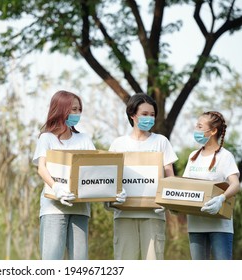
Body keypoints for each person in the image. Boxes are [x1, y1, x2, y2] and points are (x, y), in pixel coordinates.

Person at [107, 93, 178, 260]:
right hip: (124, 215)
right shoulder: (119, 144)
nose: (149, 118)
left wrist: (166, 200)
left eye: (152, 115)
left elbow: (170, 174)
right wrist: (113, 197)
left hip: (153, 214)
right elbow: (109, 177)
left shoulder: (161, 142)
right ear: (133, 115)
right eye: (144, 114)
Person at [32, 90, 96, 260]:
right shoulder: (47, 138)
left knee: (79, 260)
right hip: (53, 206)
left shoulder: (84, 139)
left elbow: (96, 168)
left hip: (80, 207)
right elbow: (42, 168)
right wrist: (56, 187)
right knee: (52, 259)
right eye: (72, 109)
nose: (76, 114)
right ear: (60, 109)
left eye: (78, 110)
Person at [182, 111, 240, 260]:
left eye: (200, 126)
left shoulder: (225, 156)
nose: (196, 130)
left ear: (213, 131)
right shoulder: (193, 157)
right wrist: (173, 205)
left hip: (220, 227)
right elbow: (183, 186)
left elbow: (235, 184)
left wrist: (221, 198)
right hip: (195, 225)